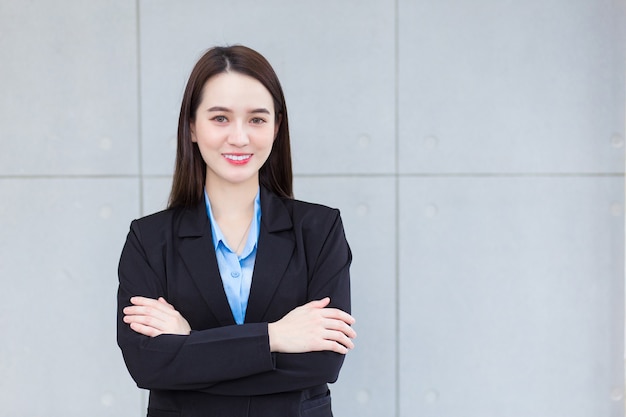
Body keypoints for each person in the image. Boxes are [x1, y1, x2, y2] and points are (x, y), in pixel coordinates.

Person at [117, 45, 356, 417]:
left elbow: (321, 364)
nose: (240, 138)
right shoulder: (149, 240)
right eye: (220, 118)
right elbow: (148, 365)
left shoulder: (320, 230)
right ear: (192, 127)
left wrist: (190, 345)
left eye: (257, 119)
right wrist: (275, 337)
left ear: (277, 127)